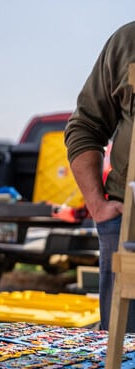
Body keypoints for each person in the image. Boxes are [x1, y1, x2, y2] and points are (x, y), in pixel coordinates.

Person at [65, 21, 135, 332]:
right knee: (125, 363)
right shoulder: (127, 41)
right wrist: (97, 205)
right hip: (128, 227)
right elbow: (85, 126)